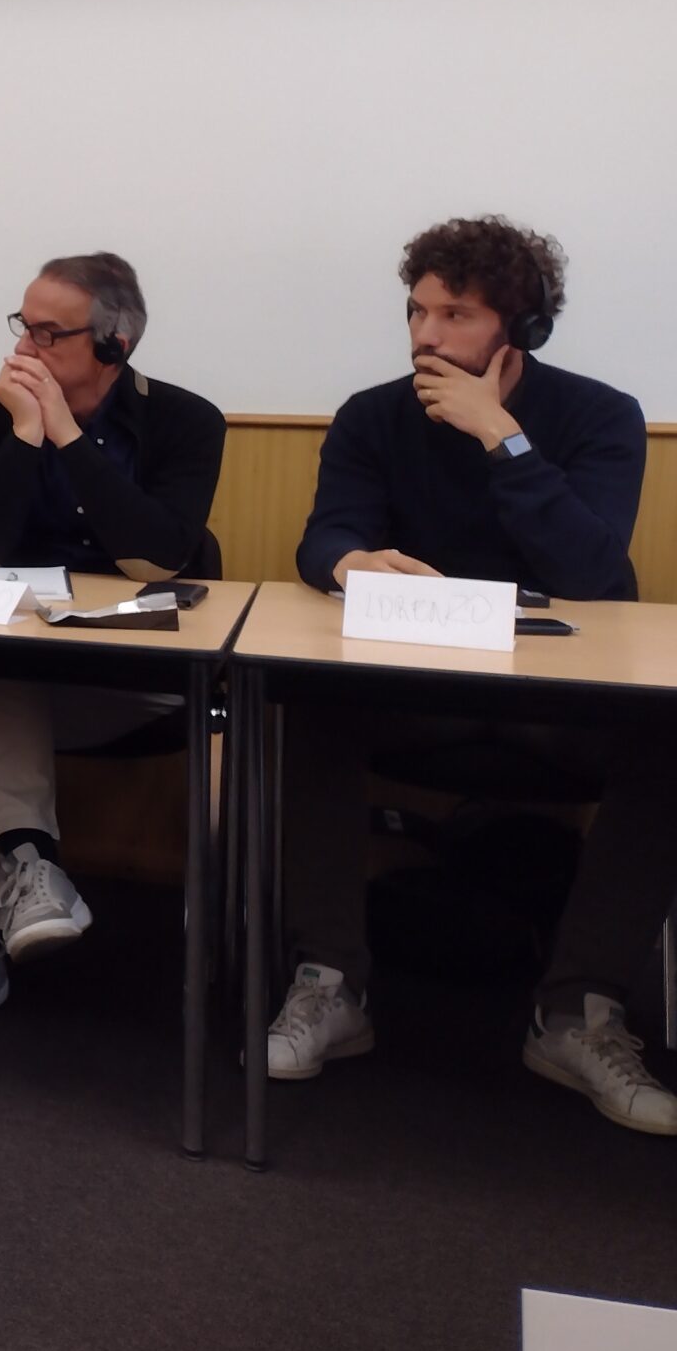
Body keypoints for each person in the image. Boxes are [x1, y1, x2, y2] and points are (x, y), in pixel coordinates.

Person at [267, 216, 674, 1133]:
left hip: (557, 703)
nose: (426, 334)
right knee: (303, 700)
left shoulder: (600, 417)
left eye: (454, 314)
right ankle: (329, 983)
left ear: (519, 328)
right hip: (417, 692)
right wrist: (349, 563)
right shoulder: (374, 415)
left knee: (665, 736)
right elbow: (325, 535)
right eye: (417, 311)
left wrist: (503, 438)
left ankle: (578, 1013)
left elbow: (596, 575)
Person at [0, 253, 226, 1029]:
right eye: (24, 326)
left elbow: (155, 558)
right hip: (20, 677)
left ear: (116, 342)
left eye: (51, 333)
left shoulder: (187, 421)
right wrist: (25, 435)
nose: (27, 348)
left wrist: (66, 434)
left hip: (138, 682)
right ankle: (31, 874)